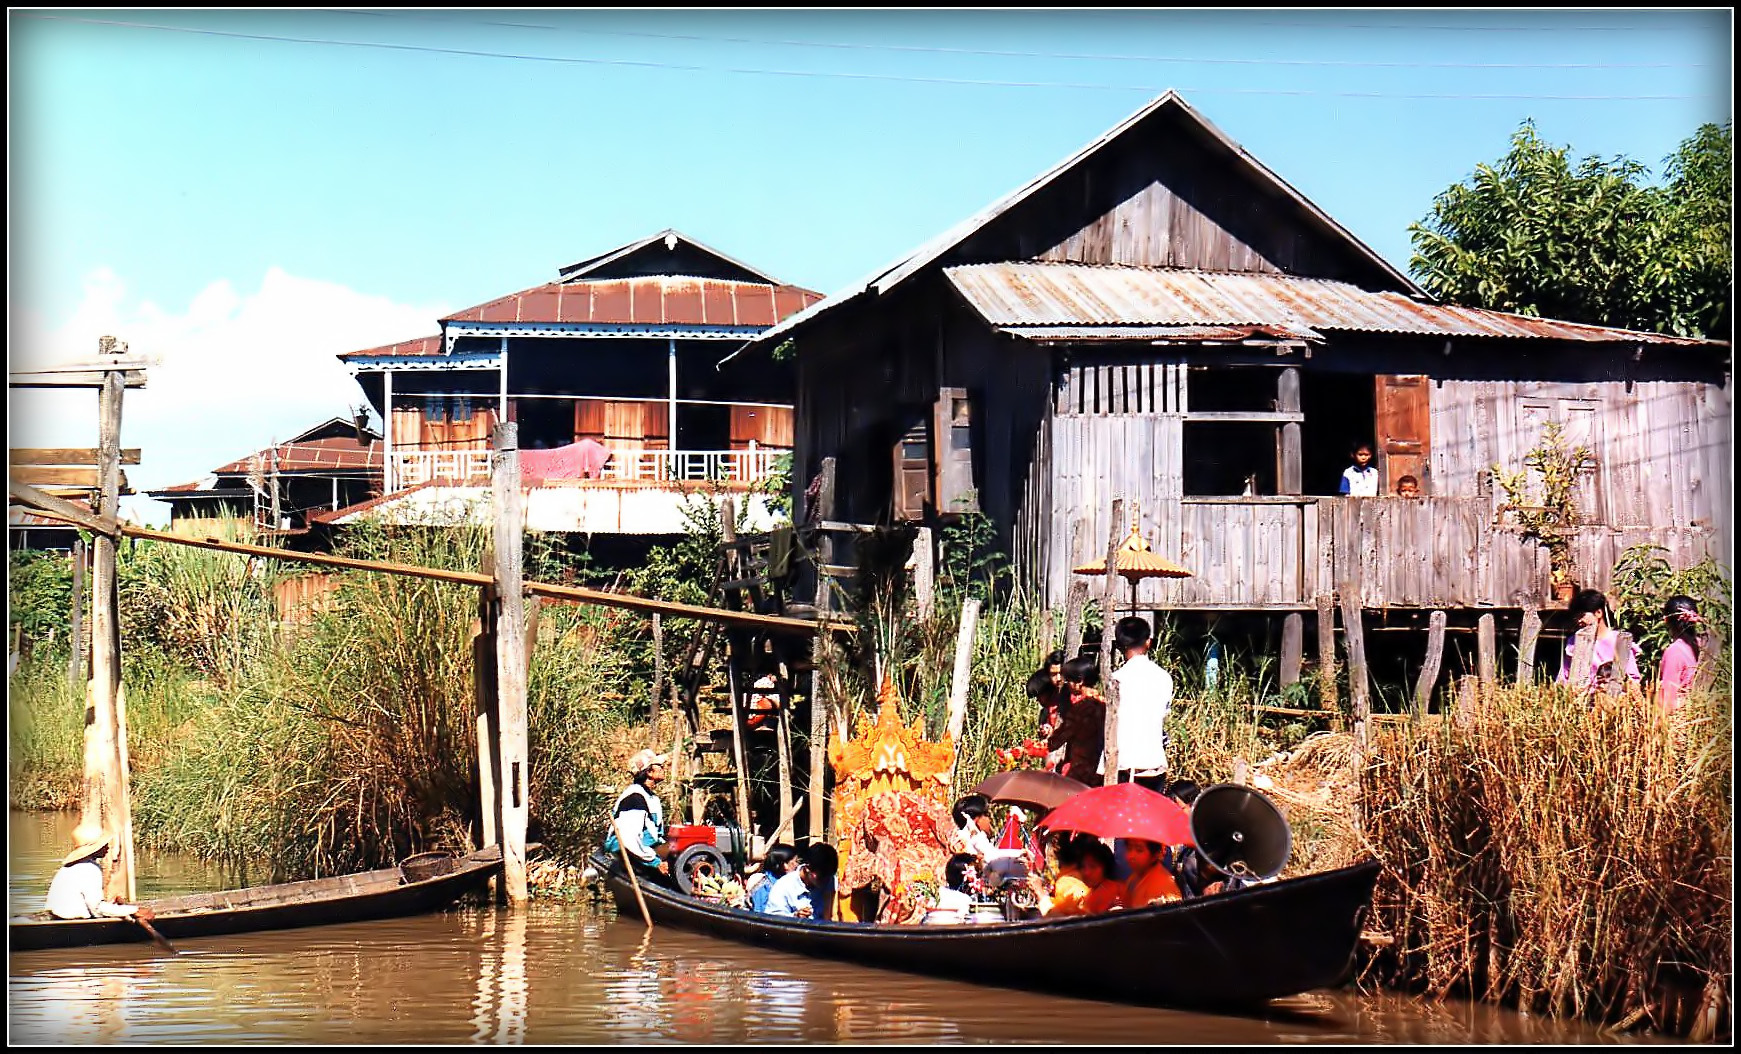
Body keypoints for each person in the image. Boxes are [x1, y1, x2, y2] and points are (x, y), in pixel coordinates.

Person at [1106, 616, 1174, 792]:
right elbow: (1163, 713)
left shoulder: (1116, 679)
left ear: (1120, 645)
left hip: (1122, 763)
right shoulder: (1164, 678)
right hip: (1152, 761)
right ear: (1148, 642)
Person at [46, 824, 145, 920]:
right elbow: (97, 909)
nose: (108, 847)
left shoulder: (68, 867)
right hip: (73, 921)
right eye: (104, 844)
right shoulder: (90, 868)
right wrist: (134, 910)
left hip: (56, 916)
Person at [1555, 589, 1642, 693]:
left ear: (1598, 613)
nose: (1579, 621)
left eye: (1582, 616)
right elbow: (1565, 676)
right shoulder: (1575, 643)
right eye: (1576, 617)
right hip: (1582, 701)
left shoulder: (1619, 641)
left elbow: (1633, 680)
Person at [606, 749, 671, 885]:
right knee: (676, 850)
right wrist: (655, 861)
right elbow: (629, 839)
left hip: (644, 849)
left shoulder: (650, 797)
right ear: (649, 772)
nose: (663, 768)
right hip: (631, 852)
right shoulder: (635, 797)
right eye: (659, 766)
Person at [1048, 656, 1106, 786]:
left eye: (1068, 681)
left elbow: (1056, 741)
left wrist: (1048, 740)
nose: (1067, 685)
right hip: (1100, 768)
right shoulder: (1104, 703)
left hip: (1080, 769)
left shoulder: (1080, 708)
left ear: (1079, 681)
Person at [950, 794, 1029, 871]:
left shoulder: (964, 836)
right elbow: (991, 855)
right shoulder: (974, 838)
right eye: (986, 815)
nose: (989, 820)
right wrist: (1020, 853)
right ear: (977, 819)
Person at [1656, 594, 1705, 715]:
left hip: (1680, 719)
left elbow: (1667, 701)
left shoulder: (1674, 651)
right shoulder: (1702, 645)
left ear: (1666, 620)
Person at [765, 842, 839, 920]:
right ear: (807, 868)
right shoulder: (783, 886)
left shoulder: (831, 882)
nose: (825, 881)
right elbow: (773, 919)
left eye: (829, 877)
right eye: (821, 877)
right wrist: (794, 917)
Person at [1121, 838, 1183, 909]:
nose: (1131, 856)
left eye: (1139, 850)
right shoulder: (1135, 876)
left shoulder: (1162, 890)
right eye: (1129, 849)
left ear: (1155, 855)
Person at [747, 843, 799, 914]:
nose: (797, 865)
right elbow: (761, 914)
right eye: (795, 861)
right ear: (785, 865)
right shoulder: (765, 887)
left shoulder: (790, 883)